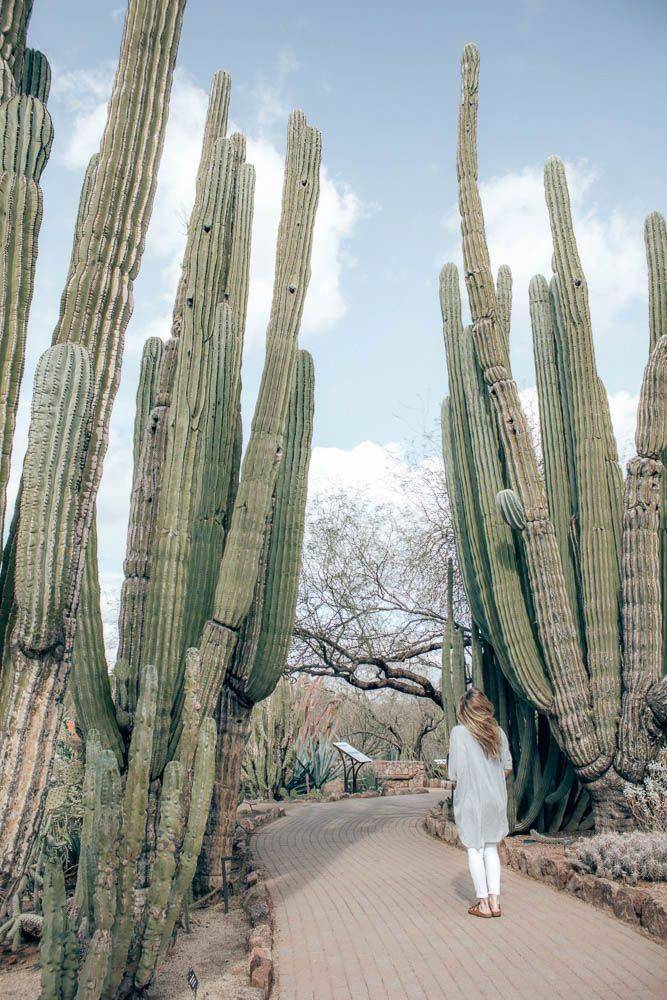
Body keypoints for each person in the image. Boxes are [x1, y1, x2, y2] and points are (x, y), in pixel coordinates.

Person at [447, 688, 512, 918]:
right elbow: (507, 767)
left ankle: (482, 904)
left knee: (474, 848)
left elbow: (454, 773)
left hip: (471, 799)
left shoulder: (459, 733)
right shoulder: (498, 733)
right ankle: (495, 902)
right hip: (495, 799)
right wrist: (490, 781)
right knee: (491, 847)